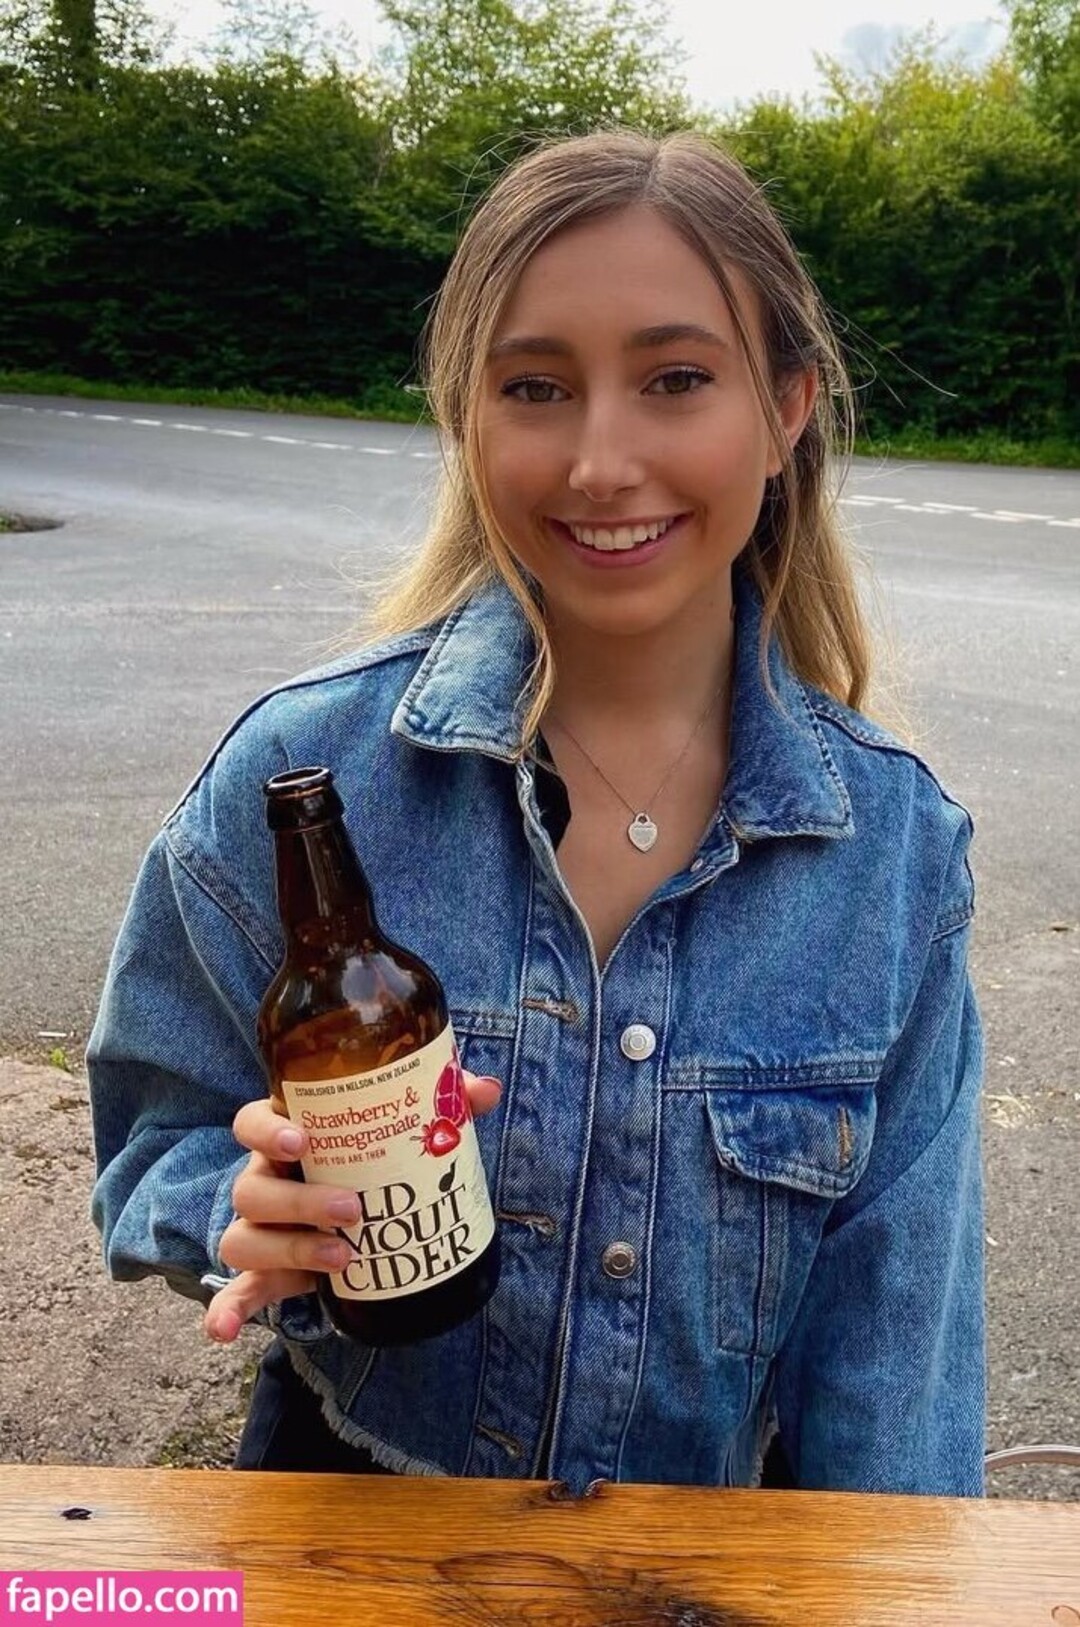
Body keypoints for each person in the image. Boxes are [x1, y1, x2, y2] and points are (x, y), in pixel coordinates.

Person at [88, 127, 986, 1496]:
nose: (600, 463)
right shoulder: (307, 775)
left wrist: (900, 1581)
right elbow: (156, 1142)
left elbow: (893, 1372)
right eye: (536, 387)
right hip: (347, 1527)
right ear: (469, 419)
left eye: (676, 379)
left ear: (786, 408)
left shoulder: (893, 853)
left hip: (693, 1560)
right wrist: (240, 1213)